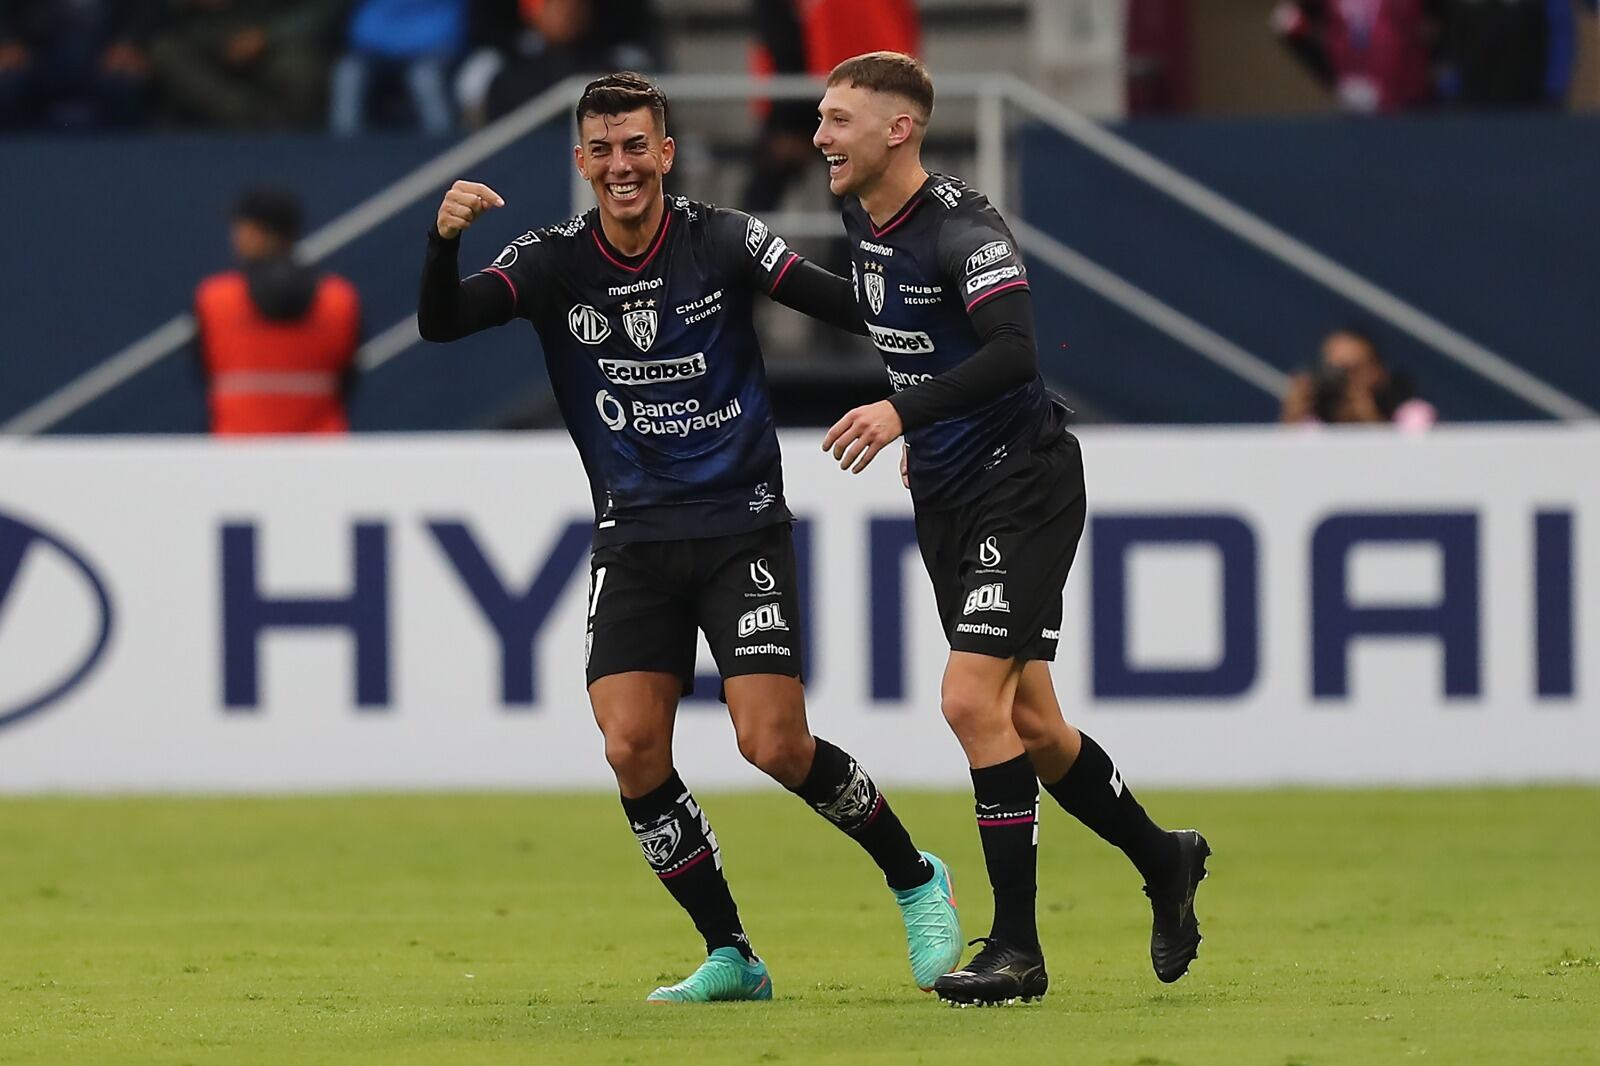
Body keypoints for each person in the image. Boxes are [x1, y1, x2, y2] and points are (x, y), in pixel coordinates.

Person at [416, 72, 961, 1004]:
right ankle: (733, 955)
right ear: (582, 161)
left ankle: (915, 876)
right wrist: (443, 241)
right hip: (633, 538)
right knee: (631, 747)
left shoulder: (723, 238)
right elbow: (442, 322)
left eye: (638, 146)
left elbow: (845, 305)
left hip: (739, 527)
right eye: (603, 149)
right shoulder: (551, 260)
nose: (621, 165)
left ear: (666, 152)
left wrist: (935, 378)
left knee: (773, 744)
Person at [813, 51, 1211, 1007]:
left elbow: (1014, 352)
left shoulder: (966, 228)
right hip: (947, 493)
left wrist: (905, 412)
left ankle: (1019, 950)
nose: (820, 135)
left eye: (837, 119)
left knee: (966, 700)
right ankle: (1164, 858)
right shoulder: (858, 217)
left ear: (898, 128)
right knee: (1029, 719)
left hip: (1021, 483)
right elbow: (891, 312)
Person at [195, 189, 362, 435]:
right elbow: (347, 377)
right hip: (320, 455)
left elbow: (204, 371)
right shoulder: (339, 299)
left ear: (253, 233)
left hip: (235, 452)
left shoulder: (214, 299)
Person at [147, 0, 345, 128]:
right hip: (205, 33)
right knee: (166, 52)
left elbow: (323, 10)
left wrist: (268, 35)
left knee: (303, 71)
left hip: (275, 35)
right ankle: (256, 125)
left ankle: (292, 143)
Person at [0, 0, 157, 130]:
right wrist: (6, 40)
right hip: (35, 50)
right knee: (8, 89)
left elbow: (147, 7)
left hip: (107, 52)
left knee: (127, 89)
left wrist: (131, 41)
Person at [329, 0, 466, 136]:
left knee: (425, 78)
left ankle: (442, 145)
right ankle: (345, 148)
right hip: (375, 49)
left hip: (433, 48)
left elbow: (445, 29)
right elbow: (365, 28)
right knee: (348, 74)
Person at [1280, 327, 1437, 429]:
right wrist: (1290, 423)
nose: (1342, 381)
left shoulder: (1412, 414)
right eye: (1332, 370)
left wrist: (1371, 422)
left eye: (1352, 370)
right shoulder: (1311, 426)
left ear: (1377, 372)